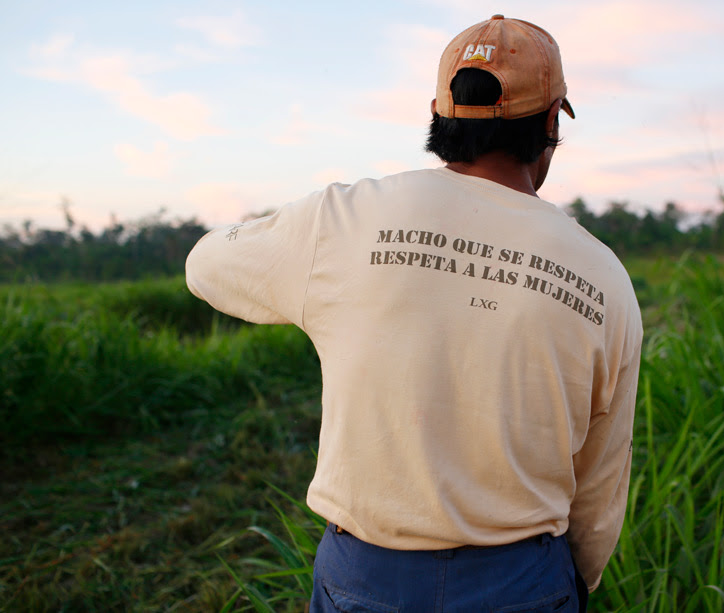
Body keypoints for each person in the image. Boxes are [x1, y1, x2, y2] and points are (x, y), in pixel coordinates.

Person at [186, 15, 642, 613]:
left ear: (439, 112)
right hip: (524, 577)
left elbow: (207, 265)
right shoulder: (602, 274)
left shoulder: (343, 220)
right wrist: (570, 583)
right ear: (553, 122)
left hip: (366, 576)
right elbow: (602, 480)